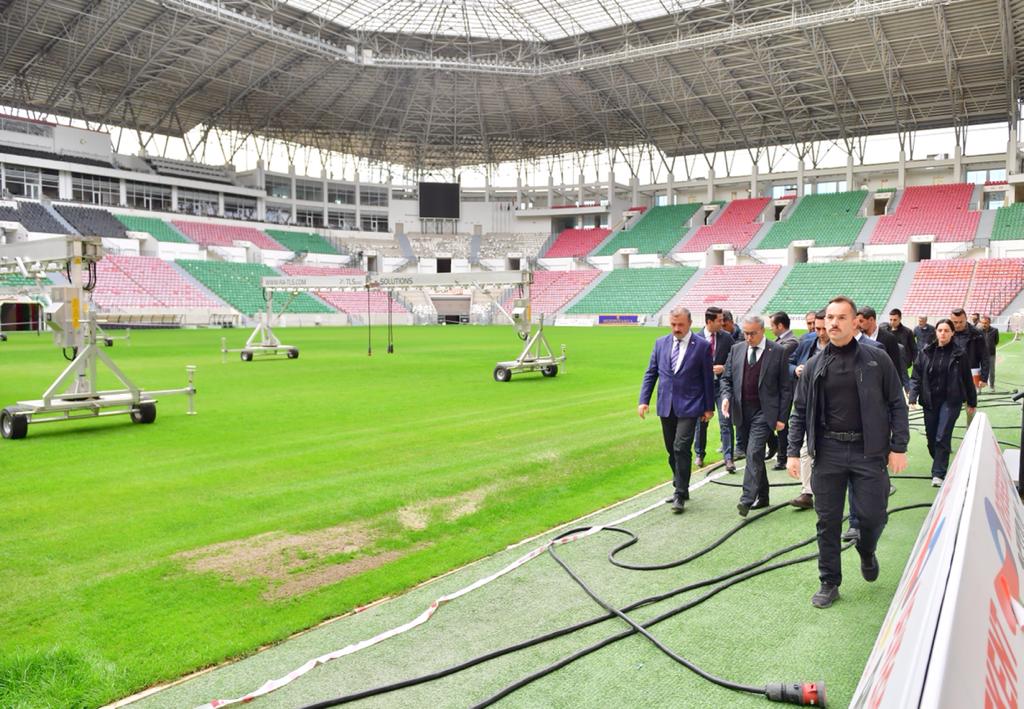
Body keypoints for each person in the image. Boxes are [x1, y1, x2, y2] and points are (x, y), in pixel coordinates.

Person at [786, 296, 909, 609]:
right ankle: (829, 581)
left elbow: (897, 402)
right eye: (829, 317)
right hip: (827, 452)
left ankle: (867, 550)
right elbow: (799, 411)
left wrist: (898, 446)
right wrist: (792, 452)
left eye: (841, 317)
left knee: (872, 516)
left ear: (856, 322)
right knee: (827, 521)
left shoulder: (876, 359)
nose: (833, 323)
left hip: (868, 452)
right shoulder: (814, 365)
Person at [639, 306, 715, 513]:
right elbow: (651, 373)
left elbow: (708, 378)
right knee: (671, 449)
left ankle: (679, 492)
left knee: (682, 447)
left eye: (680, 324)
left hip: (690, 406)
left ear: (690, 323)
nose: (676, 328)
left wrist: (709, 407)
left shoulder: (701, 346)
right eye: (673, 324)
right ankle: (681, 483)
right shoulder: (660, 343)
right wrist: (643, 400)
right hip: (666, 405)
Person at [721, 315, 792, 517]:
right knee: (756, 454)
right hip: (742, 410)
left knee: (753, 452)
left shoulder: (777, 351)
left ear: (762, 331)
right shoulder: (737, 349)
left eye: (752, 333)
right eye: (746, 333)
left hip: (764, 412)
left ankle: (746, 499)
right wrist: (726, 397)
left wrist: (782, 417)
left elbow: (785, 388)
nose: (748, 337)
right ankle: (764, 495)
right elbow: (726, 378)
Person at [908, 319, 977, 487]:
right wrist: (913, 396)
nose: (943, 333)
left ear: (952, 333)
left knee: (942, 435)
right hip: (930, 400)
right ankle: (939, 460)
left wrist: (971, 401)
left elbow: (967, 379)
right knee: (932, 438)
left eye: (947, 330)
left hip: (951, 400)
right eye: (940, 330)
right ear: (936, 332)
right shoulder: (925, 352)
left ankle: (938, 473)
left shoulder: (959, 354)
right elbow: (916, 376)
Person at [786, 310, 828, 509]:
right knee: (805, 449)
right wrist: (795, 369)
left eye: (822, 328)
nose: (819, 332)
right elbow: (787, 362)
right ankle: (807, 492)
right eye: (816, 328)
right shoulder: (806, 343)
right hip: (809, 404)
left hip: (834, 410)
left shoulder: (846, 347)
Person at [693, 306, 736, 472]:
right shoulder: (695, 339)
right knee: (701, 422)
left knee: (725, 421)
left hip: (721, 386)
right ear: (709, 321)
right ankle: (699, 455)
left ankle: (728, 458)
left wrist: (724, 368)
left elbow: (734, 360)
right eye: (719, 320)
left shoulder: (726, 338)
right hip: (703, 388)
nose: (722, 323)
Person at [770, 311, 799, 472]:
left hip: (788, 388)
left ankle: (784, 456)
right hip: (780, 388)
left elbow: (775, 358)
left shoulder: (791, 341)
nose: (771, 329)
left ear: (780, 326)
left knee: (784, 423)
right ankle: (781, 453)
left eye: (772, 326)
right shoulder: (780, 341)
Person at [950, 308, 988, 389]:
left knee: (970, 400)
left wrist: (984, 378)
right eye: (955, 322)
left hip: (971, 372)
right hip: (950, 372)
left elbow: (984, 356)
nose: (958, 325)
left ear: (966, 319)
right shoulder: (946, 331)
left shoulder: (977, 333)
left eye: (961, 322)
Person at [880, 308, 917, 392]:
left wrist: (915, 364)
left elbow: (914, 349)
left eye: (895, 320)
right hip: (888, 361)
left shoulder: (907, 332)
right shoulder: (884, 331)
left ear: (900, 319)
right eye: (890, 319)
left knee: (904, 381)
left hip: (903, 363)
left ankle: (909, 396)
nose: (892, 322)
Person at [979, 315, 999, 390]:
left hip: (991, 354)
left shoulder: (995, 330)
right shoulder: (978, 331)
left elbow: (996, 341)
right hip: (980, 354)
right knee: (980, 371)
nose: (984, 324)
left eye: (986, 323)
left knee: (992, 371)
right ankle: (979, 387)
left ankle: (992, 385)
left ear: (989, 322)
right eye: (982, 323)